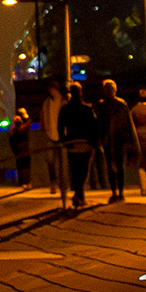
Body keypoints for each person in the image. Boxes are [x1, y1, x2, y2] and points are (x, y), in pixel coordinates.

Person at [58, 82, 97, 213]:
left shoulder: (65, 109)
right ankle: (80, 195)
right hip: (86, 143)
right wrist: (93, 142)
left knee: (75, 170)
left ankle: (78, 195)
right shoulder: (87, 109)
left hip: (72, 143)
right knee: (83, 171)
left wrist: (64, 140)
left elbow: (60, 126)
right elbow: (94, 126)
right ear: (80, 92)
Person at [99, 83, 135, 203]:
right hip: (120, 139)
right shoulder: (122, 104)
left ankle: (115, 192)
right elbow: (128, 123)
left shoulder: (102, 106)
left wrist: (101, 139)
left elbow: (100, 125)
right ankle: (120, 192)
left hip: (110, 140)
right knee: (120, 167)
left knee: (111, 166)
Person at [39, 82, 64, 193]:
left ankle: (63, 184)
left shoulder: (63, 101)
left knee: (62, 162)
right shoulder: (47, 103)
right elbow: (42, 117)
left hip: (62, 135)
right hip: (50, 135)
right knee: (51, 161)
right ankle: (54, 184)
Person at [8, 107, 33, 187]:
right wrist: (28, 119)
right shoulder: (17, 127)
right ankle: (24, 182)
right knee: (23, 164)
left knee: (24, 164)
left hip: (20, 146)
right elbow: (22, 129)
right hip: (20, 146)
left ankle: (25, 182)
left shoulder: (15, 127)